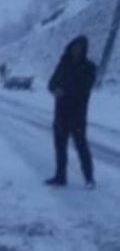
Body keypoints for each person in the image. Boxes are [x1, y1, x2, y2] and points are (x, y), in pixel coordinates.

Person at [46, 35, 96, 189]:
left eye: (81, 48)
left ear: (84, 50)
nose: (77, 50)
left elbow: (84, 88)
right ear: (71, 47)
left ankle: (89, 178)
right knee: (60, 147)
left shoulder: (89, 67)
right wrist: (55, 89)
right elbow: (51, 83)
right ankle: (60, 177)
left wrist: (64, 91)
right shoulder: (63, 64)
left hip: (77, 114)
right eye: (75, 47)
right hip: (61, 113)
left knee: (81, 147)